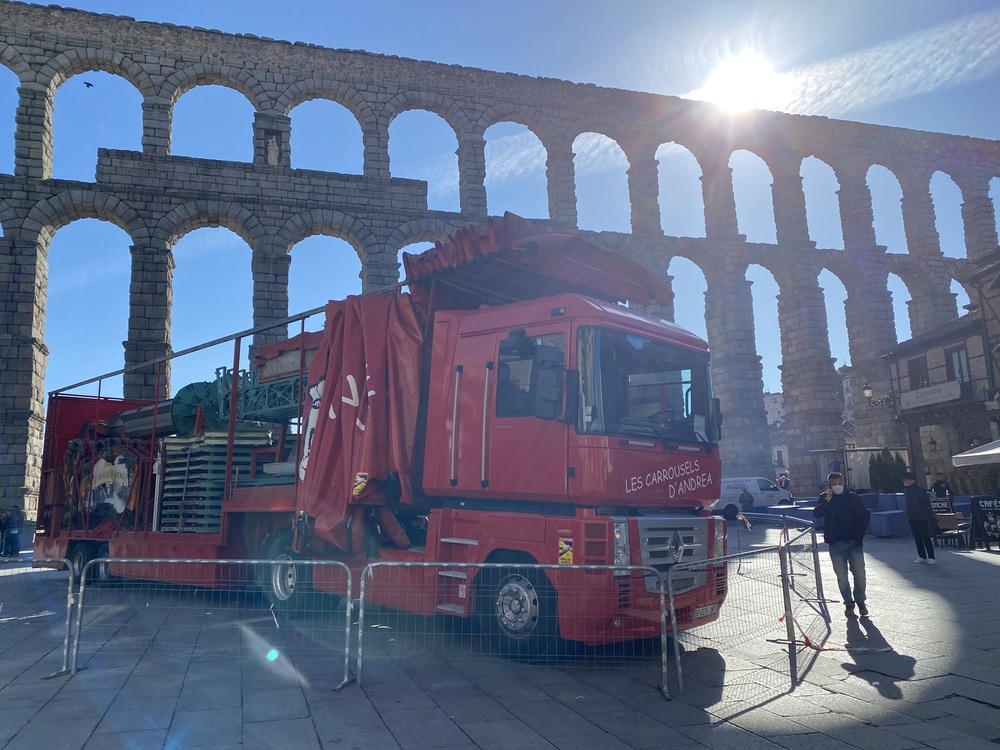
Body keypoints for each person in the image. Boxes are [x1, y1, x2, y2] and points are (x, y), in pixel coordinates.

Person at [813, 472, 871, 618]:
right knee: (842, 576)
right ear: (830, 485)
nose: (838, 485)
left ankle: (861, 601)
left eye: (840, 482)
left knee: (860, 574)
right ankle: (848, 603)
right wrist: (827, 500)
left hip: (854, 542)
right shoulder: (825, 498)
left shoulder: (853, 497)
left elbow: (865, 515)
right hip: (836, 543)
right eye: (834, 483)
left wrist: (861, 534)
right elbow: (817, 514)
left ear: (844, 482)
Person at [903, 472, 936, 564]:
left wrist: (923, 513)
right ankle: (922, 556)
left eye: (906, 479)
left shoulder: (920, 490)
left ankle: (931, 557)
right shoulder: (906, 490)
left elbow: (926, 503)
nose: (904, 481)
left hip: (921, 518)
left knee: (925, 537)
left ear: (912, 480)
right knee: (917, 538)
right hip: (911, 517)